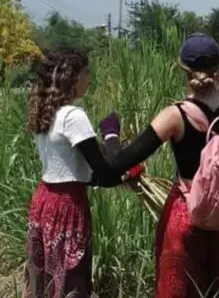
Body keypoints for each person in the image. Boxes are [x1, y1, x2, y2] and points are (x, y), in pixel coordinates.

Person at [74, 33, 219, 298]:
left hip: (190, 212)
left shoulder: (175, 115)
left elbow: (116, 165)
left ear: (184, 70)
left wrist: (111, 134)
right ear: (218, 68)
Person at [23, 47, 139, 298]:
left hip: (44, 201)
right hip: (68, 206)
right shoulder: (73, 116)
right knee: (69, 279)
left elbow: (76, 168)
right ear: (72, 77)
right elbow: (107, 174)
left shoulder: (47, 112)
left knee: (46, 279)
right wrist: (111, 134)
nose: (89, 79)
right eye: (86, 72)